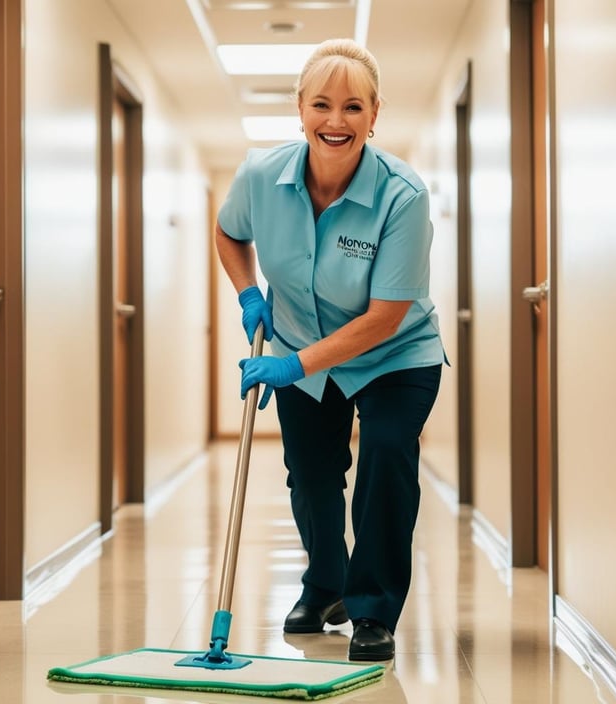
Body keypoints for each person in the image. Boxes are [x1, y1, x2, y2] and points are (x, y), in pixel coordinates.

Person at [215, 38, 445, 662]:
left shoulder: (403, 196)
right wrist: (247, 296)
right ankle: (326, 586)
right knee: (312, 474)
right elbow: (229, 232)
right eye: (322, 105)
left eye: (352, 107)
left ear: (375, 115)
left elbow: (384, 318)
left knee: (386, 459)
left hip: (393, 356)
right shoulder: (261, 174)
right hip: (297, 337)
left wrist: (291, 365)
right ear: (300, 109)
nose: (335, 122)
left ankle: (372, 610)